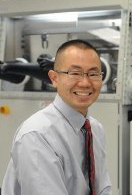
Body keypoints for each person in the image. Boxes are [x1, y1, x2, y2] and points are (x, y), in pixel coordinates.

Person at [2, 39, 112, 195]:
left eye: (93, 74)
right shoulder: (37, 136)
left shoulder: (95, 129)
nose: (85, 82)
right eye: (75, 73)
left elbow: (103, 188)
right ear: (54, 78)